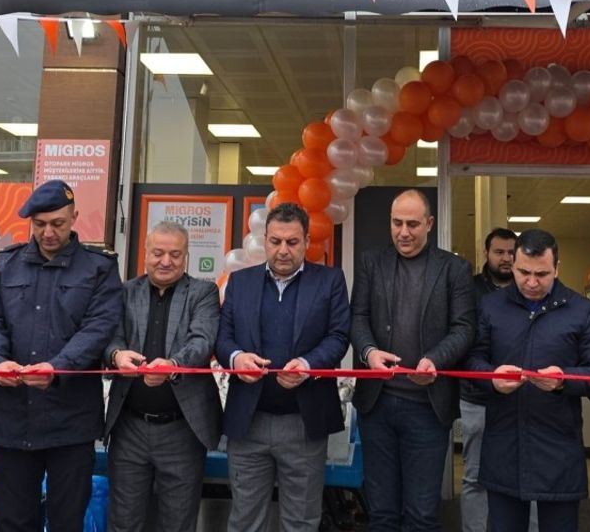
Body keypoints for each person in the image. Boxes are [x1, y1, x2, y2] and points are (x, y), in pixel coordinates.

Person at [0, 180, 123, 532]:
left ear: (74, 218)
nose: (48, 232)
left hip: (69, 419)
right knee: (12, 520)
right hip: (12, 417)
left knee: (67, 520)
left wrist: (58, 367)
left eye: (57, 223)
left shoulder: (98, 268)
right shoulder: (4, 265)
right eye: (39, 224)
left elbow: (98, 328)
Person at [215, 202, 351, 532]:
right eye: (275, 241)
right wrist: (236, 358)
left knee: (301, 522)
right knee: (245, 521)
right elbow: (222, 337)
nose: (283, 250)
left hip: (304, 422)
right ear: (264, 240)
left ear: (307, 241)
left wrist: (307, 364)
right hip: (249, 421)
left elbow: (339, 336)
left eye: (292, 242)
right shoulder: (240, 282)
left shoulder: (330, 281)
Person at [467, 229, 590, 532]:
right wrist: (492, 379)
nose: (531, 282)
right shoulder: (491, 305)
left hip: (558, 447)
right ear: (513, 265)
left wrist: (564, 380)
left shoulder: (581, 310)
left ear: (556, 268)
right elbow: (472, 359)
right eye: (523, 272)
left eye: (542, 274)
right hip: (504, 442)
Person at [350, 189, 475, 532]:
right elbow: (358, 318)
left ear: (430, 224)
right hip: (376, 406)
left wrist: (435, 359)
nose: (403, 232)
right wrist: (369, 352)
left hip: (427, 409)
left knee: (421, 514)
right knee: (381, 513)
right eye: (396, 223)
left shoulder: (454, 269)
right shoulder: (371, 262)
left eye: (412, 224)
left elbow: (464, 328)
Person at [103, 220, 221, 532]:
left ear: (186, 256)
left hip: (181, 428)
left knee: (178, 523)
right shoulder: (125, 292)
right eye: (158, 253)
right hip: (129, 427)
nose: (166, 261)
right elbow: (110, 338)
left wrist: (172, 365)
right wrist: (117, 355)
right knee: (123, 521)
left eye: (175, 254)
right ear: (145, 253)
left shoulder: (203, 292)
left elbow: (203, 341)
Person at [461, 227, 517, 532]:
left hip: (520, 399)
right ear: (486, 253)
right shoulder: (469, 290)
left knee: (522, 476)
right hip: (476, 398)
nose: (506, 258)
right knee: (475, 477)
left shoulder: (527, 288)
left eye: (511, 252)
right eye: (499, 252)